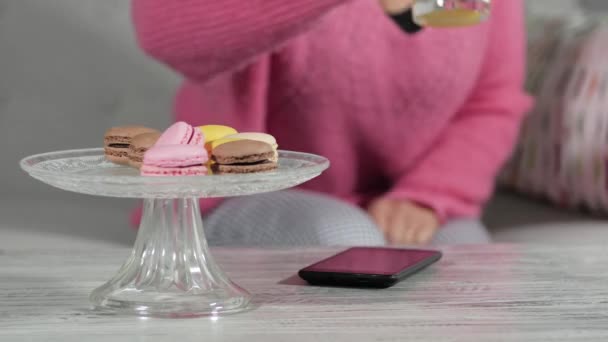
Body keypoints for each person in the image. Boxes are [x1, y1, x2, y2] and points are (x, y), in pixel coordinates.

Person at [131, 0, 532, 246]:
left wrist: (427, 195)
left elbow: (491, 101)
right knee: (345, 239)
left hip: (409, 199)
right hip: (243, 191)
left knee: (464, 266)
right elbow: (161, 31)